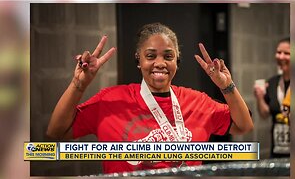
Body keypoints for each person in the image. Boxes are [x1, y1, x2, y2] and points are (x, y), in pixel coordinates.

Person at [47, 23, 253, 174]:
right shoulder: (111, 101)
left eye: (168, 56)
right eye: (151, 56)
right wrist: (79, 84)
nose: (160, 63)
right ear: (139, 60)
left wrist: (227, 86)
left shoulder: (197, 102)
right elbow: (56, 131)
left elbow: (243, 125)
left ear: (177, 62)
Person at [254, 37, 290, 158]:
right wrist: (259, 97)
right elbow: (265, 114)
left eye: (287, 53)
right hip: (278, 150)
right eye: (278, 52)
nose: (281, 57)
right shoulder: (272, 83)